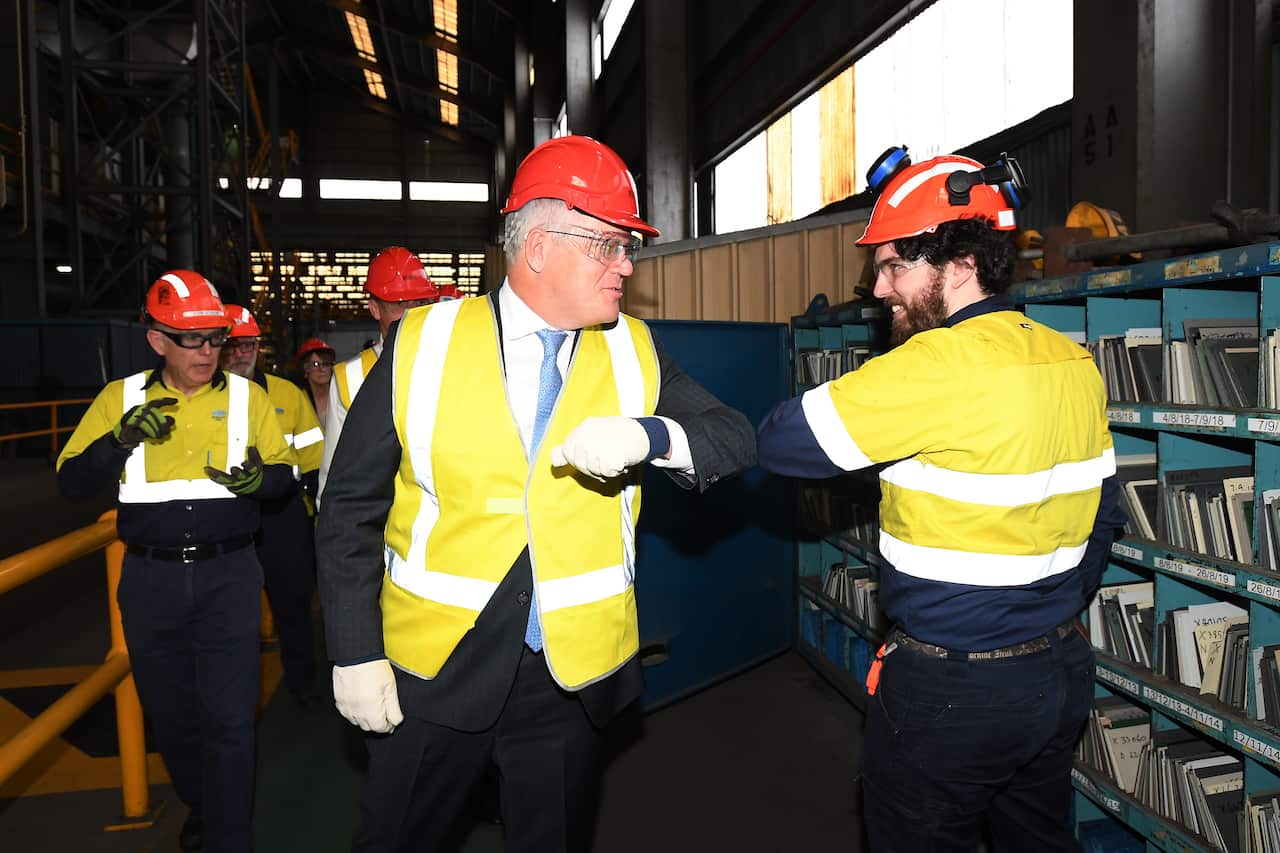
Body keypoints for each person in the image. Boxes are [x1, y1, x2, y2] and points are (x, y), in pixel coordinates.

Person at [315, 134, 757, 853]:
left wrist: (652, 437)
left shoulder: (634, 349)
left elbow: (734, 436)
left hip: (568, 682)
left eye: (627, 248)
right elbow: (348, 510)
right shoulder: (421, 342)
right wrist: (354, 651)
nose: (627, 265)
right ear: (541, 245)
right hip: (432, 672)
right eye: (609, 245)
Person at [756, 148, 1126, 852]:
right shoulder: (1071, 361)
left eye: (895, 265)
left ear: (960, 266)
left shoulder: (928, 365)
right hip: (1057, 676)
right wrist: (1041, 613)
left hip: (951, 694)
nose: (877, 287)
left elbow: (781, 442)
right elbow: (1103, 512)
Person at [56, 271, 295, 853]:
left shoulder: (249, 399)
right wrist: (118, 440)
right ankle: (205, 806)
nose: (208, 352)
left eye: (214, 338)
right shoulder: (121, 401)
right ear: (157, 339)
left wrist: (263, 481)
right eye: (192, 340)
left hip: (230, 578)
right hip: (150, 582)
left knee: (232, 720)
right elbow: (70, 483)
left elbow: (286, 476)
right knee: (173, 716)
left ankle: (229, 836)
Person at [221, 304, 325, 704]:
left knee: (293, 607)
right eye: (232, 346)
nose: (241, 353)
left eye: (248, 344)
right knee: (234, 618)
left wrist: (320, 513)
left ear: (258, 347)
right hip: (229, 520)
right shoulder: (202, 400)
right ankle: (237, 694)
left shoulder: (286, 394)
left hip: (282, 517)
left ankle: (302, 687)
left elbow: (314, 460)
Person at [315, 247, 438, 505]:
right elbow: (334, 473)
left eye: (421, 303)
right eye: (400, 305)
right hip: (375, 526)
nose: (412, 315)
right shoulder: (350, 377)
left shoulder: (451, 362)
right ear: (374, 308)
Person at [297, 337, 337, 423]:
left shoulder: (340, 396)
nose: (322, 369)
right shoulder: (299, 399)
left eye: (326, 364)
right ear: (305, 369)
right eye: (316, 364)